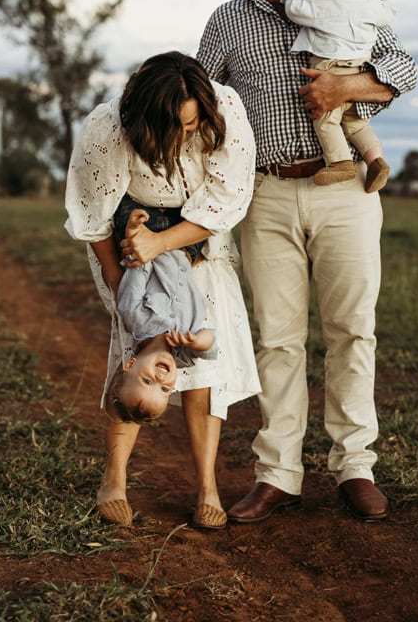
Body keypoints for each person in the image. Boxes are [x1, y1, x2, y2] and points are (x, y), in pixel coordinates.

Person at [197, 0, 416, 523]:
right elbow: (202, 106)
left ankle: (355, 467)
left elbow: (403, 67)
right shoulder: (226, 22)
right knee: (279, 339)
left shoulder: (342, 0)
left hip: (346, 190)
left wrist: (347, 85)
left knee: (353, 331)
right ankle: (278, 475)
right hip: (264, 192)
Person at [65, 51, 260, 530]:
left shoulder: (225, 110)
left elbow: (224, 201)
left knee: (203, 372)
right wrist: (122, 286)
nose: (187, 136)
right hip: (131, 235)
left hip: (199, 232)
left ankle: (208, 486)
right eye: (177, 127)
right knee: (136, 357)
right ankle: (114, 478)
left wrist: (162, 243)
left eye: (194, 126)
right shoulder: (109, 127)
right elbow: (93, 218)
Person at [281, 0, 394, 192]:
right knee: (356, 122)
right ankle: (376, 160)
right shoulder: (372, 4)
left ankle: (340, 162)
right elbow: (387, 13)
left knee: (325, 119)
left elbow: (294, 9)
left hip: (329, 69)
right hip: (358, 70)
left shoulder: (321, 0)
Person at [111, 204, 217, 421]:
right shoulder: (184, 353)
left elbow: (138, 265)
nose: (160, 378)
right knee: (202, 205)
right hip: (187, 246)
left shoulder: (135, 317)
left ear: (130, 364)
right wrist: (198, 342)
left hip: (152, 231)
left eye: (147, 381)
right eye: (165, 389)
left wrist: (134, 232)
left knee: (152, 195)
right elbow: (211, 343)